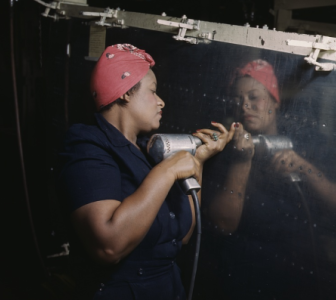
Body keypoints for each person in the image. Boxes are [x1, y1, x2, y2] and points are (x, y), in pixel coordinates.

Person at [57, 44, 236, 300]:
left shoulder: (146, 152)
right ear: (126, 94)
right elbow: (107, 247)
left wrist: (198, 163)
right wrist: (167, 171)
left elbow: (183, 234)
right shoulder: (87, 147)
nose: (161, 100)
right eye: (153, 91)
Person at [206, 59, 336, 299]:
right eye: (237, 99)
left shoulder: (308, 141)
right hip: (244, 279)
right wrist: (241, 161)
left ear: (275, 101)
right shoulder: (225, 152)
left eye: (254, 97)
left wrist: (305, 169)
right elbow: (223, 223)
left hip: (300, 280)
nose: (245, 105)